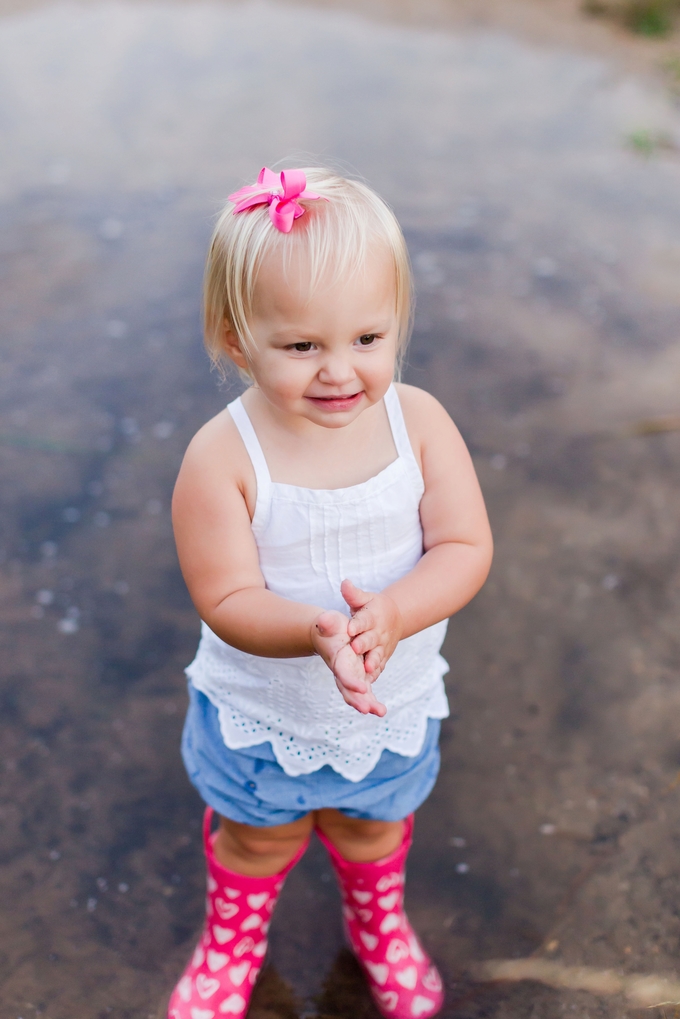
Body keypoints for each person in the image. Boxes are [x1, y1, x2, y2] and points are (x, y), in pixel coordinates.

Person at [168, 166, 493, 1019]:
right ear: (237, 341)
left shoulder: (419, 424)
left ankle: (376, 920)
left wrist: (397, 611)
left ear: (397, 327)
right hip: (263, 707)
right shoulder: (224, 456)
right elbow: (227, 595)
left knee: (370, 825)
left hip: (389, 702)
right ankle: (231, 938)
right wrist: (313, 629)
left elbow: (465, 546)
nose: (339, 371)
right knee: (257, 833)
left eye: (367, 338)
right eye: (302, 345)